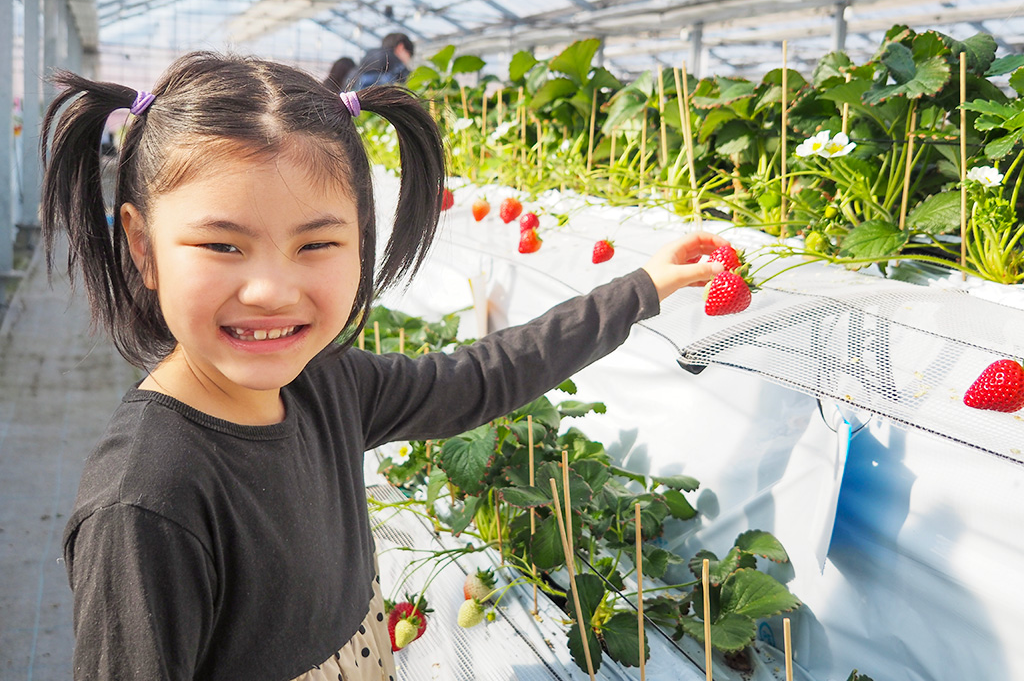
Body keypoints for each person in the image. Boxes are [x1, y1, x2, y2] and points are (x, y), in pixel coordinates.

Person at [40, 51, 727, 681]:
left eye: (317, 245)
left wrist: (642, 288)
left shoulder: (325, 384)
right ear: (142, 244)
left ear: (361, 241)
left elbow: (481, 377)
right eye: (223, 246)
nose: (273, 289)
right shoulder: (147, 502)